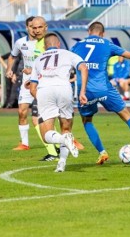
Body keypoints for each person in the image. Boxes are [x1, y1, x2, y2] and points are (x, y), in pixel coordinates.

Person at [71, 22, 130, 165]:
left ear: (89, 31)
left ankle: (102, 152)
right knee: (126, 114)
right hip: (104, 88)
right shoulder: (106, 44)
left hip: (85, 90)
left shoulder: (76, 46)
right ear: (102, 33)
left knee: (87, 121)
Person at [29, 33, 89, 173]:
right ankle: (61, 163)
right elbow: (83, 68)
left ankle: (62, 150)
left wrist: (42, 99)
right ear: (58, 44)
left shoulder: (38, 59)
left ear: (44, 46)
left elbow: (32, 88)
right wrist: (82, 92)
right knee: (66, 130)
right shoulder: (68, 53)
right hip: (64, 88)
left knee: (47, 134)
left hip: (44, 90)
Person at [6, 16, 60, 161]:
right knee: (24, 112)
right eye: (32, 27)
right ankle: (28, 144)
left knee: (40, 118)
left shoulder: (47, 43)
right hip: (29, 84)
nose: (34, 30)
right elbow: (12, 57)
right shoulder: (21, 43)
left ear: (44, 27)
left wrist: (34, 73)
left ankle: (58, 146)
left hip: (42, 84)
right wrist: (9, 69)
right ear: (27, 28)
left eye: (37, 27)